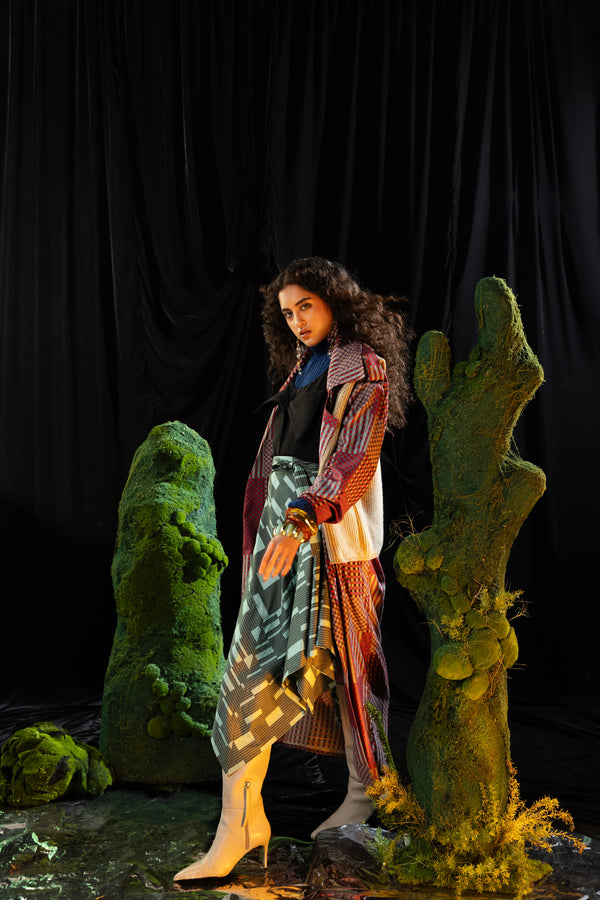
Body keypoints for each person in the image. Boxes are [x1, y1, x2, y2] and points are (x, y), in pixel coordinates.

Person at [175, 256, 412, 882]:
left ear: (336, 301)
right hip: (282, 533)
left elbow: (354, 458)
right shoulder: (301, 367)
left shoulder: (362, 367)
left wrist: (305, 518)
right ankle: (240, 821)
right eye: (287, 312)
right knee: (250, 666)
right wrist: (276, 526)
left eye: (306, 305)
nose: (297, 320)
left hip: (331, 538)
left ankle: (365, 795)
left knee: (349, 670)